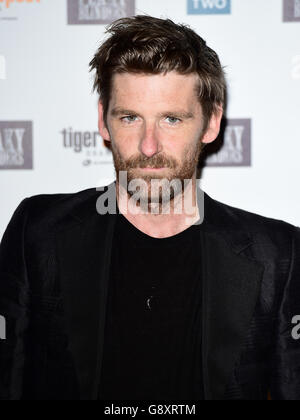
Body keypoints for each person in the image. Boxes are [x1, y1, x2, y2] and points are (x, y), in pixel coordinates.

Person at [0, 15, 299, 401]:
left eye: (171, 119)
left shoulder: (277, 255)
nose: (148, 146)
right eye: (130, 118)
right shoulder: (37, 233)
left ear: (211, 123)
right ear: (103, 121)